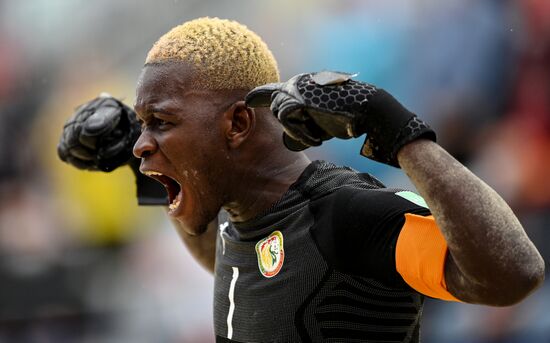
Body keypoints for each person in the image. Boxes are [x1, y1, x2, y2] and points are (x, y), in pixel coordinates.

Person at [57, 17, 545, 343]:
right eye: (142, 127)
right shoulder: (244, 217)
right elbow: (229, 263)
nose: (142, 142)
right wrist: (140, 168)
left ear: (238, 124)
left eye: (160, 121)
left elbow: (513, 274)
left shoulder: (347, 213)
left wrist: (395, 129)